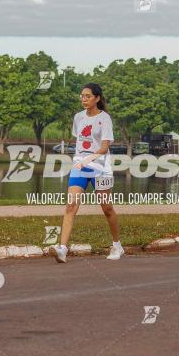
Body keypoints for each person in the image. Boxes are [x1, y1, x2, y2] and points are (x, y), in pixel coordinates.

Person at [49, 83, 123, 263]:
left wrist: (89, 159)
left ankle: (117, 245)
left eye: (88, 96)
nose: (84, 99)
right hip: (80, 166)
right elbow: (80, 141)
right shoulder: (78, 117)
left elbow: (105, 147)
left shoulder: (104, 119)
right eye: (82, 96)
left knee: (107, 208)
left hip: (101, 167)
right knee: (71, 206)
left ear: (97, 98)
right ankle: (63, 249)